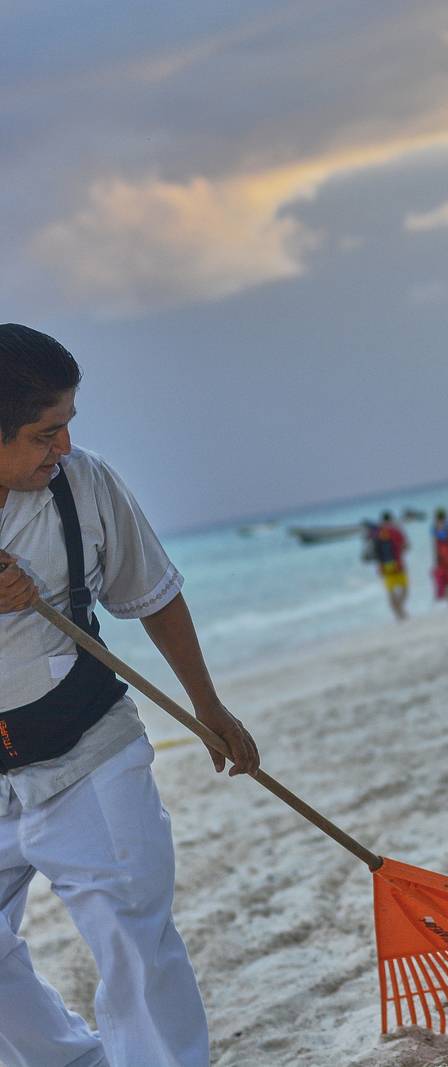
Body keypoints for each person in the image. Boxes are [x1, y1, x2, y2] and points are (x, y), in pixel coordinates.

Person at [0, 324, 260, 1067]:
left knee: (133, 941)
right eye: (45, 434)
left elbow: (153, 594)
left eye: (69, 426)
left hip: (87, 751)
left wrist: (207, 706)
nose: (65, 448)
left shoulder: (84, 484)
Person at [368, 510, 409, 621]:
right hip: (398, 565)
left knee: (391, 591)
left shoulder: (378, 533)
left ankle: (397, 613)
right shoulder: (396, 530)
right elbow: (405, 546)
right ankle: (400, 608)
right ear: (391, 519)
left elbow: (375, 552)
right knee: (404, 589)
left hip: (385, 566)